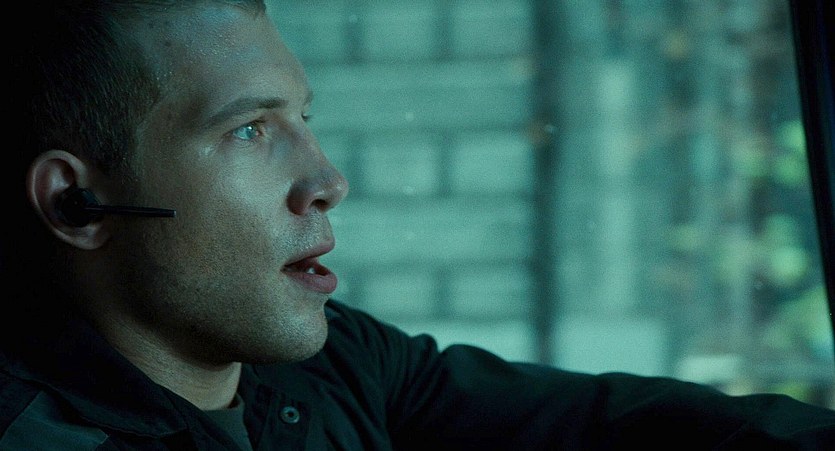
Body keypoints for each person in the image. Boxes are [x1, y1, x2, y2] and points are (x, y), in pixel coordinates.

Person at [1, 1, 833, 449]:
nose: (327, 182)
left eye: (302, 119)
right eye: (249, 130)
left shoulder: (335, 363)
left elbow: (604, 422)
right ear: (75, 202)